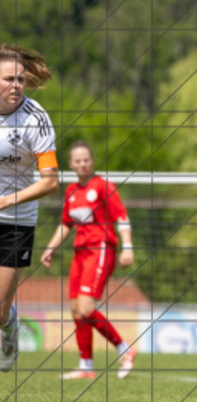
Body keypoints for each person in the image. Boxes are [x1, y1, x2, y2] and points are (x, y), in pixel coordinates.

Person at [40, 141, 138, 379]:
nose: (82, 164)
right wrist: (51, 248)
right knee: (75, 309)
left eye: (86, 159)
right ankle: (85, 366)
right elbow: (66, 223)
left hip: (100, 248)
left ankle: (124, 349)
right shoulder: (71, 190)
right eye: (77, 160)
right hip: (80, 252)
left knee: (86, 307)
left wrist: (128, 247)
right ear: (71, 164)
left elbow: (121, 217)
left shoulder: (103, 186)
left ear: (92, 161)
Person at [0, 45, 60, 372]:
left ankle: (9, 329)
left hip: (16, 221)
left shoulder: (34, 118)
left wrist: (9, 200)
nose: (17, 86)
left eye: (21, 79)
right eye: (9, 79)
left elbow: (50, 181)